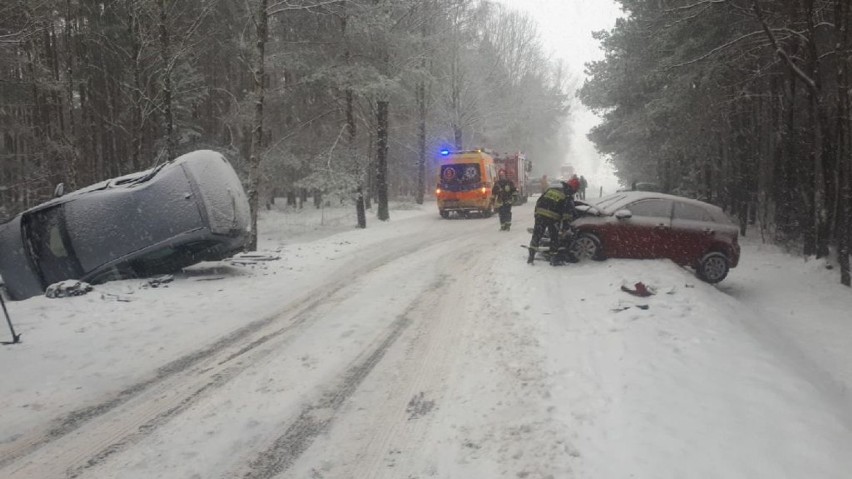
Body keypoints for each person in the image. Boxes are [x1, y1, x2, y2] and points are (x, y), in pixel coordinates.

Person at [527, 179, 577, 265]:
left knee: (536, 235)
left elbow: (539, 200)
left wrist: (537, 214)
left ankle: (531, 257)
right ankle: (553, 259)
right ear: (573, 189)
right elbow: (567, 213)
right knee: (554, 238)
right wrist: (565, 227)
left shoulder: (552, 189)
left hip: (540, 213)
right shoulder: (567, 195)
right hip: (552, 217)